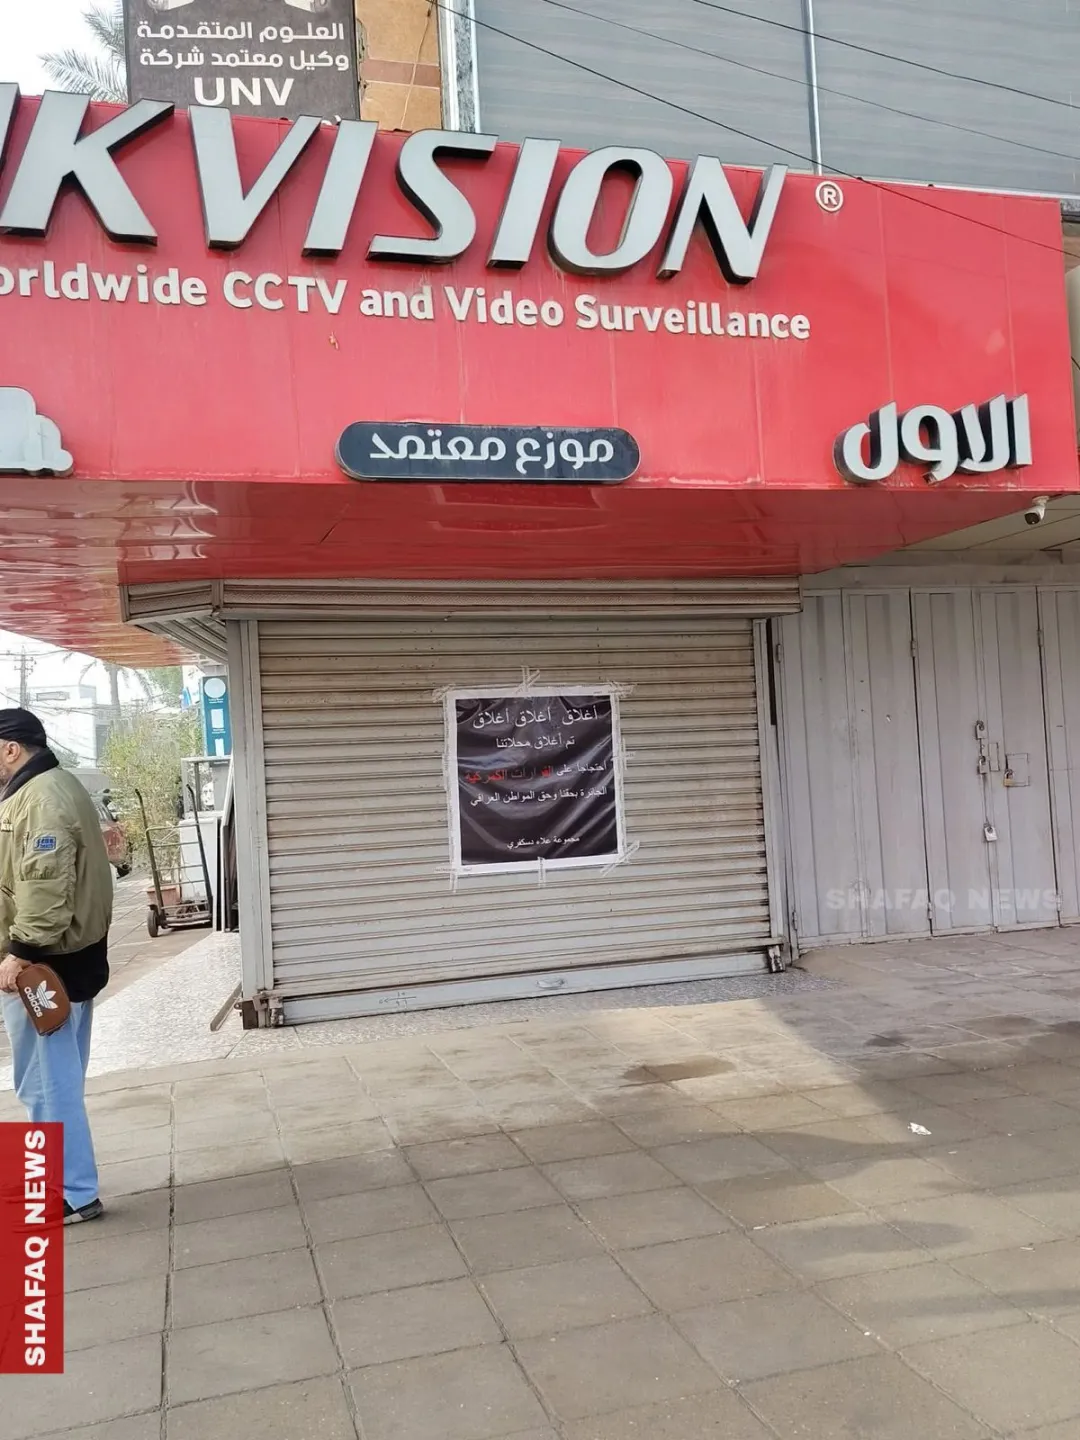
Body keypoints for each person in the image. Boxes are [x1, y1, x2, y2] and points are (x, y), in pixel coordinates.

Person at [0, 708, 114, 1224]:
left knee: (49, 1082)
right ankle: (58, 1181)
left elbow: (44, 885)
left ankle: (72, 1192)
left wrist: (21, 950)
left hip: (45, 965)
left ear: (11, 748)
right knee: (46, 1079)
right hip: (64, 958)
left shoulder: (41, 798)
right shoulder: (47, 788)